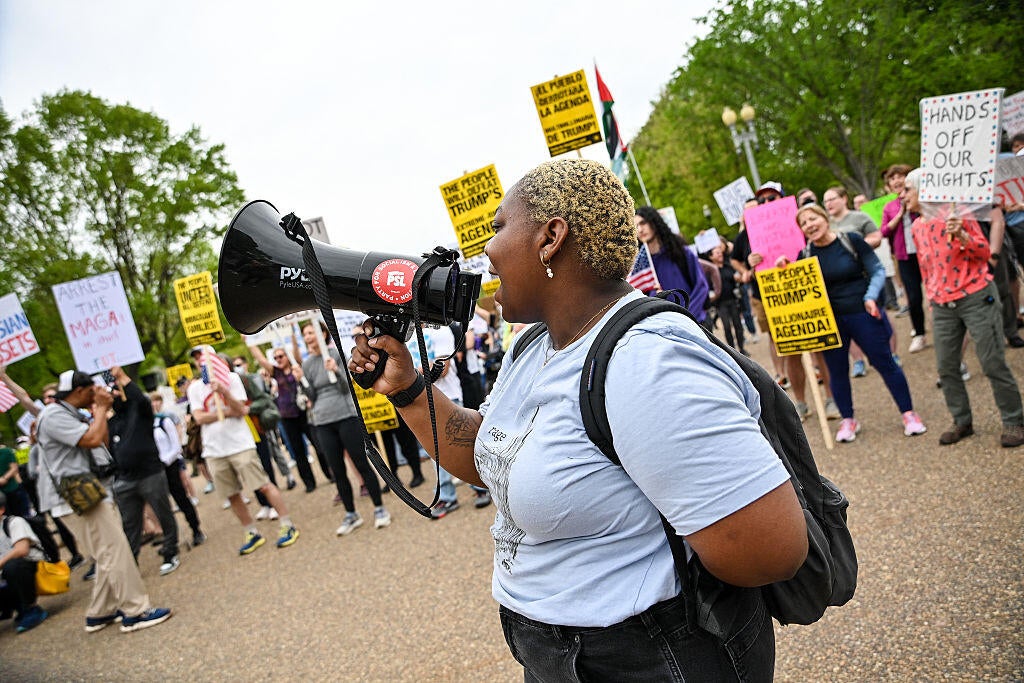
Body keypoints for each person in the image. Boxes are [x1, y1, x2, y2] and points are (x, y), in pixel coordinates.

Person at [350, 159, 807, 680]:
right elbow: (496, 457)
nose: (486, 251)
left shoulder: (645, 363)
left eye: (498, 228)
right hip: (560, 653)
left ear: (550, 237)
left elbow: (769, 551)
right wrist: (409, 390)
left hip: (652, 655)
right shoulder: (534, 344)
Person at [35, 370, 171, 632]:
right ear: (79, 391)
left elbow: (102, 442)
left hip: (89, 492)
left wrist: (99, 412)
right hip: (78, 496)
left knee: (106, 552)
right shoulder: (53, 415)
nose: (96, 393)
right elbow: (92, 438)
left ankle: (100, 612)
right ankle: (135, 611)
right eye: (91, 390)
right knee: (115, 551)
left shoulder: (68, 413)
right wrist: (101, 409)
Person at [777, 204, 926, 442]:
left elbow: (877, 270)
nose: (809, 225)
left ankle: (909, 414)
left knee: (885, 362)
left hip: (863, 313)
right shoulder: (804, 255)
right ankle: (848, 419)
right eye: (803, 224)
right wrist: (785, 270)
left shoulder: (851, 240)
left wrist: (870, 297)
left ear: (825, 219)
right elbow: (800, 289)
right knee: (837, 372)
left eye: (812, 218)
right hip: (831, 322)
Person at [902, 169, 1024, 448]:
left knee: (992, 361)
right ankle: (962, 421)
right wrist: (931, 298)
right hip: (942, 304)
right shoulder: (918, 225)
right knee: (946, 367)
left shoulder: (958, 215)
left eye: (907, 189)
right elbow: (925, 266)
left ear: (925, 189)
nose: (902, 195)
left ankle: (1014, 420)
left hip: (976, 296)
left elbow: (985, 254)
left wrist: (964, 237)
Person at [187, 347, 300, 553]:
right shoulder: (194, 388)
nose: (199, 362)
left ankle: (287, 524)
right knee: (231, 493)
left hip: (240, 444)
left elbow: (241, 410)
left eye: (202, 357)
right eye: (196, 359)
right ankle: (251, 531)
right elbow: (199, 417)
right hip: (214, 449)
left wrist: (224, 392)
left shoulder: (231, 379)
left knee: (263, 485)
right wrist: (224, 413)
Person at [296, 323, 391, 535]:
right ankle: (351, 514)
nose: (308, 337)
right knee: (337, 470)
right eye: (305, 334)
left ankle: (379, 508)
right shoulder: (307, 363)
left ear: (321, 334)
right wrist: (300, 380)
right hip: (322, 421)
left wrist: (336, 371)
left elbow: (345, 387)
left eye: (311, 332)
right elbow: (310, 397)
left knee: (361, 464)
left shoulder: (335, 355)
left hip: (346, 416)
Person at [106, 366, 181, 576]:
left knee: (163, 513)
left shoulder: (140, 412)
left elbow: (139, 399)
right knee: (130, 524)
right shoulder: (112, 422)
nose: (114, 395)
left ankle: (170, 551)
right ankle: (131, 564)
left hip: (150, 474)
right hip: (125, 480)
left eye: (116, 391)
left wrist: (122, 377)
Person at [248, 341, 323, 492]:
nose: (278, 359)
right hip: (287, 417)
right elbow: (261, 359)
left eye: (281, 356)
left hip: (305, 413)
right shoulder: (275, 372)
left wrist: (294, 334)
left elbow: (296, 350)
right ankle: (309, 482)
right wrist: (249, 342)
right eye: (275, 357)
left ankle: (330, 473)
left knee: (319, 445)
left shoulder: (298, 367)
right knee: (298, 451)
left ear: (287, 356)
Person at [880, 163, 928, 354]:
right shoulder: (890, 207)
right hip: (905, 255)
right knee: (914, 297)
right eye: (892, 178)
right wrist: (900, 213)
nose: (897, 181)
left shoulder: (920, 198)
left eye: (900, 176)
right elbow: (884, 231)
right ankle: (920, 333)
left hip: (927, 251)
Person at [633, 205, 710, 323]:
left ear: (654, 222)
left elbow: (701, 286)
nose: (640, 229)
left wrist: (688, 316)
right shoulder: (641, 266)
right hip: (668, 328)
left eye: (643, 223)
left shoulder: (681, 252)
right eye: (636, 226)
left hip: (696, 322)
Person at [149, 392, 205, 548]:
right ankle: (171, 538)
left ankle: (196, 529)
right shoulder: (142, 427)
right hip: (154, 470)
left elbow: (176, 446)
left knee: (181, 498)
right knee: (161, 505)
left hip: (170, 465)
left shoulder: (163, 421)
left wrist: (165, 461)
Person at [0, 491, 49, 633]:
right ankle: (18, 608)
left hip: (31, 568)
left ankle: (31, 608)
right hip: (7, 575)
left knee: (13, 566)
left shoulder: (14, 522)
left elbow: (22, 550)